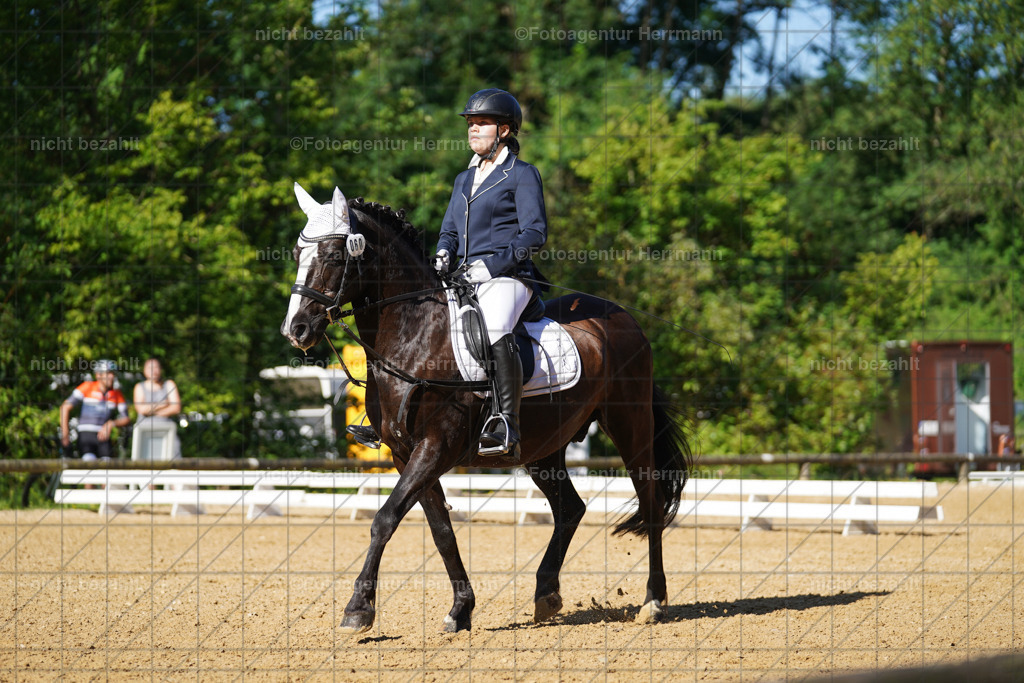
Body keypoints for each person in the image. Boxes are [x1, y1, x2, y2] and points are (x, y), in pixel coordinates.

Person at [348, 88, 547, 458]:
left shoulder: (521, 175)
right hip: (464, 274)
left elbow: (534, 233)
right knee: (416, 324)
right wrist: (442, 255)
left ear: (504, 130)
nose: (472, 129)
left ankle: (506, 420)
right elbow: (450, 231)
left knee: (497, 324)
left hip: (510, 276)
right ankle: (384, 415)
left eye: (481, 123)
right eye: (470, 123)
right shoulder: (463, 179)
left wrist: (491, 265)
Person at [60, 359, 130, 460]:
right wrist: (65, 435)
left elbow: (126, 418)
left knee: (107, 466)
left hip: (103, 436)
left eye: (113, 374)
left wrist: (111, 423)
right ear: (98, 375)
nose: (112, 377)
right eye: (108, 373)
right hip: (86, 435)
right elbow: (64, 407)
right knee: (89, 462)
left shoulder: (116, 394)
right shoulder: (88, 386)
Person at [133, 358, 182, 459]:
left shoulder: (169, 384)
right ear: (144, 370)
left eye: (156, 367)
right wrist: (163, 403)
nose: (153, 371)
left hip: (167, 432)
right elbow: (141, 409)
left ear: (160, 369)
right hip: (145, 433)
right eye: (150, 368)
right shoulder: (139, 387)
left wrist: (151, 410)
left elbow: (176, 408)